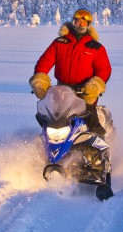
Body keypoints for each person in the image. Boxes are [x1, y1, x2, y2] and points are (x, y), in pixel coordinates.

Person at [29, 8, 111, 137]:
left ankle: (101, 146)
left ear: (89, 25)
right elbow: (44, 61)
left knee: (90, 120)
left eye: (84, 23)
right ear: (74, 21)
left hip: (85, 91)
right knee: (52, 118)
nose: (81, 25)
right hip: (62, 90)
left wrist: (95, 86)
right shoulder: (60, 42)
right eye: (78, 22)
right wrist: (40, 80)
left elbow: (104, 69)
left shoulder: (95, 47)